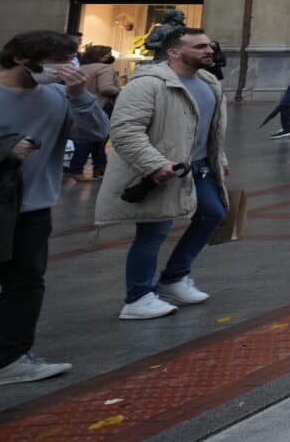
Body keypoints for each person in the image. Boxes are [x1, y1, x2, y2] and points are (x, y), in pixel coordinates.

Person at [97, 26, 230, 320]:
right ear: (174, 51)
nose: (208, 51)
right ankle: (138, 296)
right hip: (162, 169)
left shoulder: (209, 82)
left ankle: (174, 278)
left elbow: (210, 129)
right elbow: (125, 131)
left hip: (197, 167)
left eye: (208, 46)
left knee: (213, 214)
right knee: (153, 230)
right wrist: (155, 164)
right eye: (199, 47)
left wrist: (218, 157)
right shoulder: (148, 84)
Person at [0, 31, 110, 385]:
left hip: (34, 205)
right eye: (57, 61)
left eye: (70, 59)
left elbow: (96, 133)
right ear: (20, 59)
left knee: (27, 281)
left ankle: (11, 357)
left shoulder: (59, 95)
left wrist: (79, 96)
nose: (66, 67)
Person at [63, 45, 120, 182]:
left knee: (88, 139)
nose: (110, 56)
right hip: (100, 106)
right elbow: (106, 88)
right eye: (107, 54)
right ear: (101, 56)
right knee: (96, 139)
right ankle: (79, 169)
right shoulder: (104, 68)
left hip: (80, 105)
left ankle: (99, 167)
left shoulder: (81, 68)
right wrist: (119, 90)